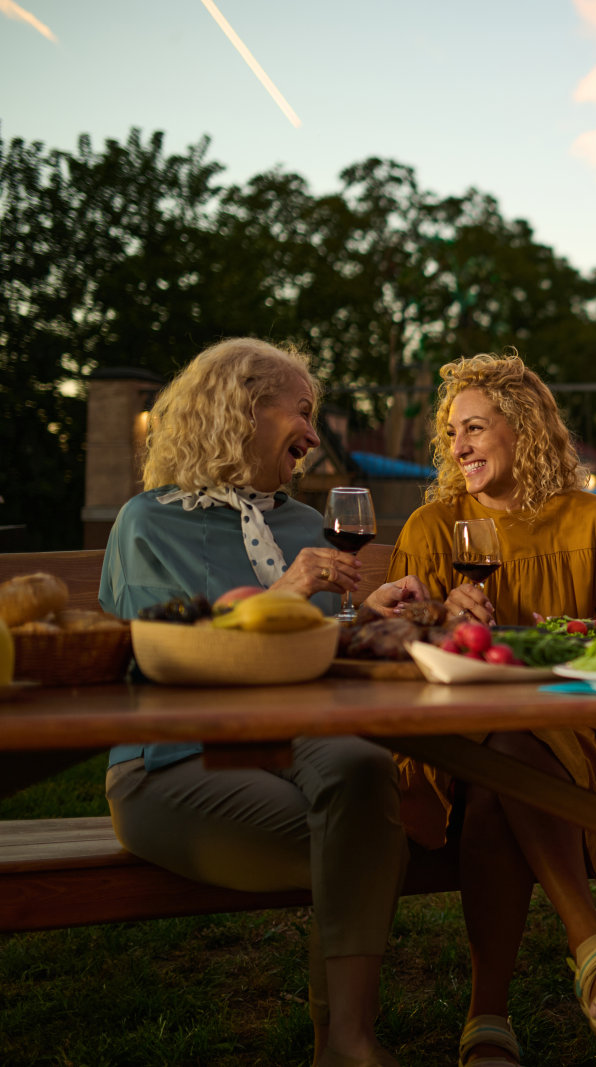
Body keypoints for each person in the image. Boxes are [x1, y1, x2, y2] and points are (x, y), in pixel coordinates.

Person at [99, 337, 427, 1067]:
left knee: (362, 771)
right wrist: (284, 592)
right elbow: (163, 656)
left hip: (295, 743)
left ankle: (343, 1042)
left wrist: (371, 615)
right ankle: (347, 1041)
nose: (314, 435)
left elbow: (310, 643)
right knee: (370, 845)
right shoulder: (146, 523)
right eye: (303, 412)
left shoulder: (304, 523)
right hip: (173, 760)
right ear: (242, 408)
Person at [385, 352, 596, 1063]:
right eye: (453, 433)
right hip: (455, 740)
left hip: (580, 731)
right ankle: (591, 944)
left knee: (499, 772)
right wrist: (434, 618)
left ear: (526, 428)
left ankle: (488, 1016)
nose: (459, 446)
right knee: (496, 753)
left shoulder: (594, 520)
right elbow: (394, 647)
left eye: (476, 427)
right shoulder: (432, 526)